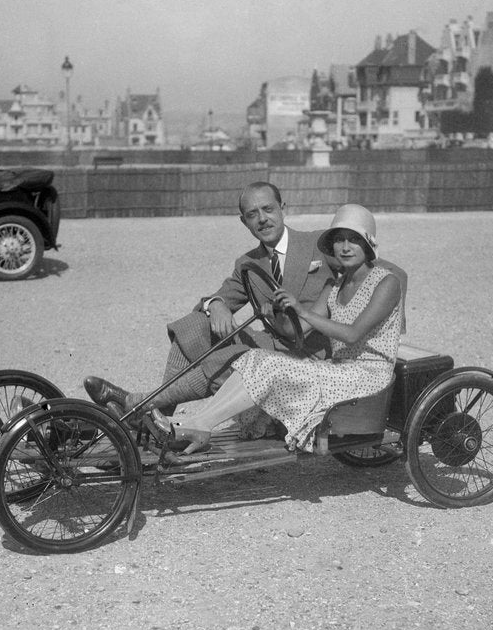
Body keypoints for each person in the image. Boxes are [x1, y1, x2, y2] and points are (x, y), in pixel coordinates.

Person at [152, 203, 405, 454]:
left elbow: (352, 334)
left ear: (369, 244)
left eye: (354, 239)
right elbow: (300, 328)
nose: (346, 247)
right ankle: (199, 422)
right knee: (255, 357)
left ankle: (196, 422)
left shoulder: (386, 283)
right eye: (339, 240)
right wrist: (276, 311)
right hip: (338, 371)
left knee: (270, 366)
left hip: (368, 377)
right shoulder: (335, 285)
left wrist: (302, 309)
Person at [84, 181, 337, 416]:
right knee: (195, 325)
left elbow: (361, 267)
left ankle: (141, 405)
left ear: (283, 209)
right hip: (272, 347)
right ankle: (155, 414)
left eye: (268, 209)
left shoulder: (318, 243)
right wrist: (216, 304)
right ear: (243, 222)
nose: (262, 219)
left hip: (313, 354)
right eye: (252, 214)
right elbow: (219, 296)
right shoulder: (248, 263)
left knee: (227, 359)